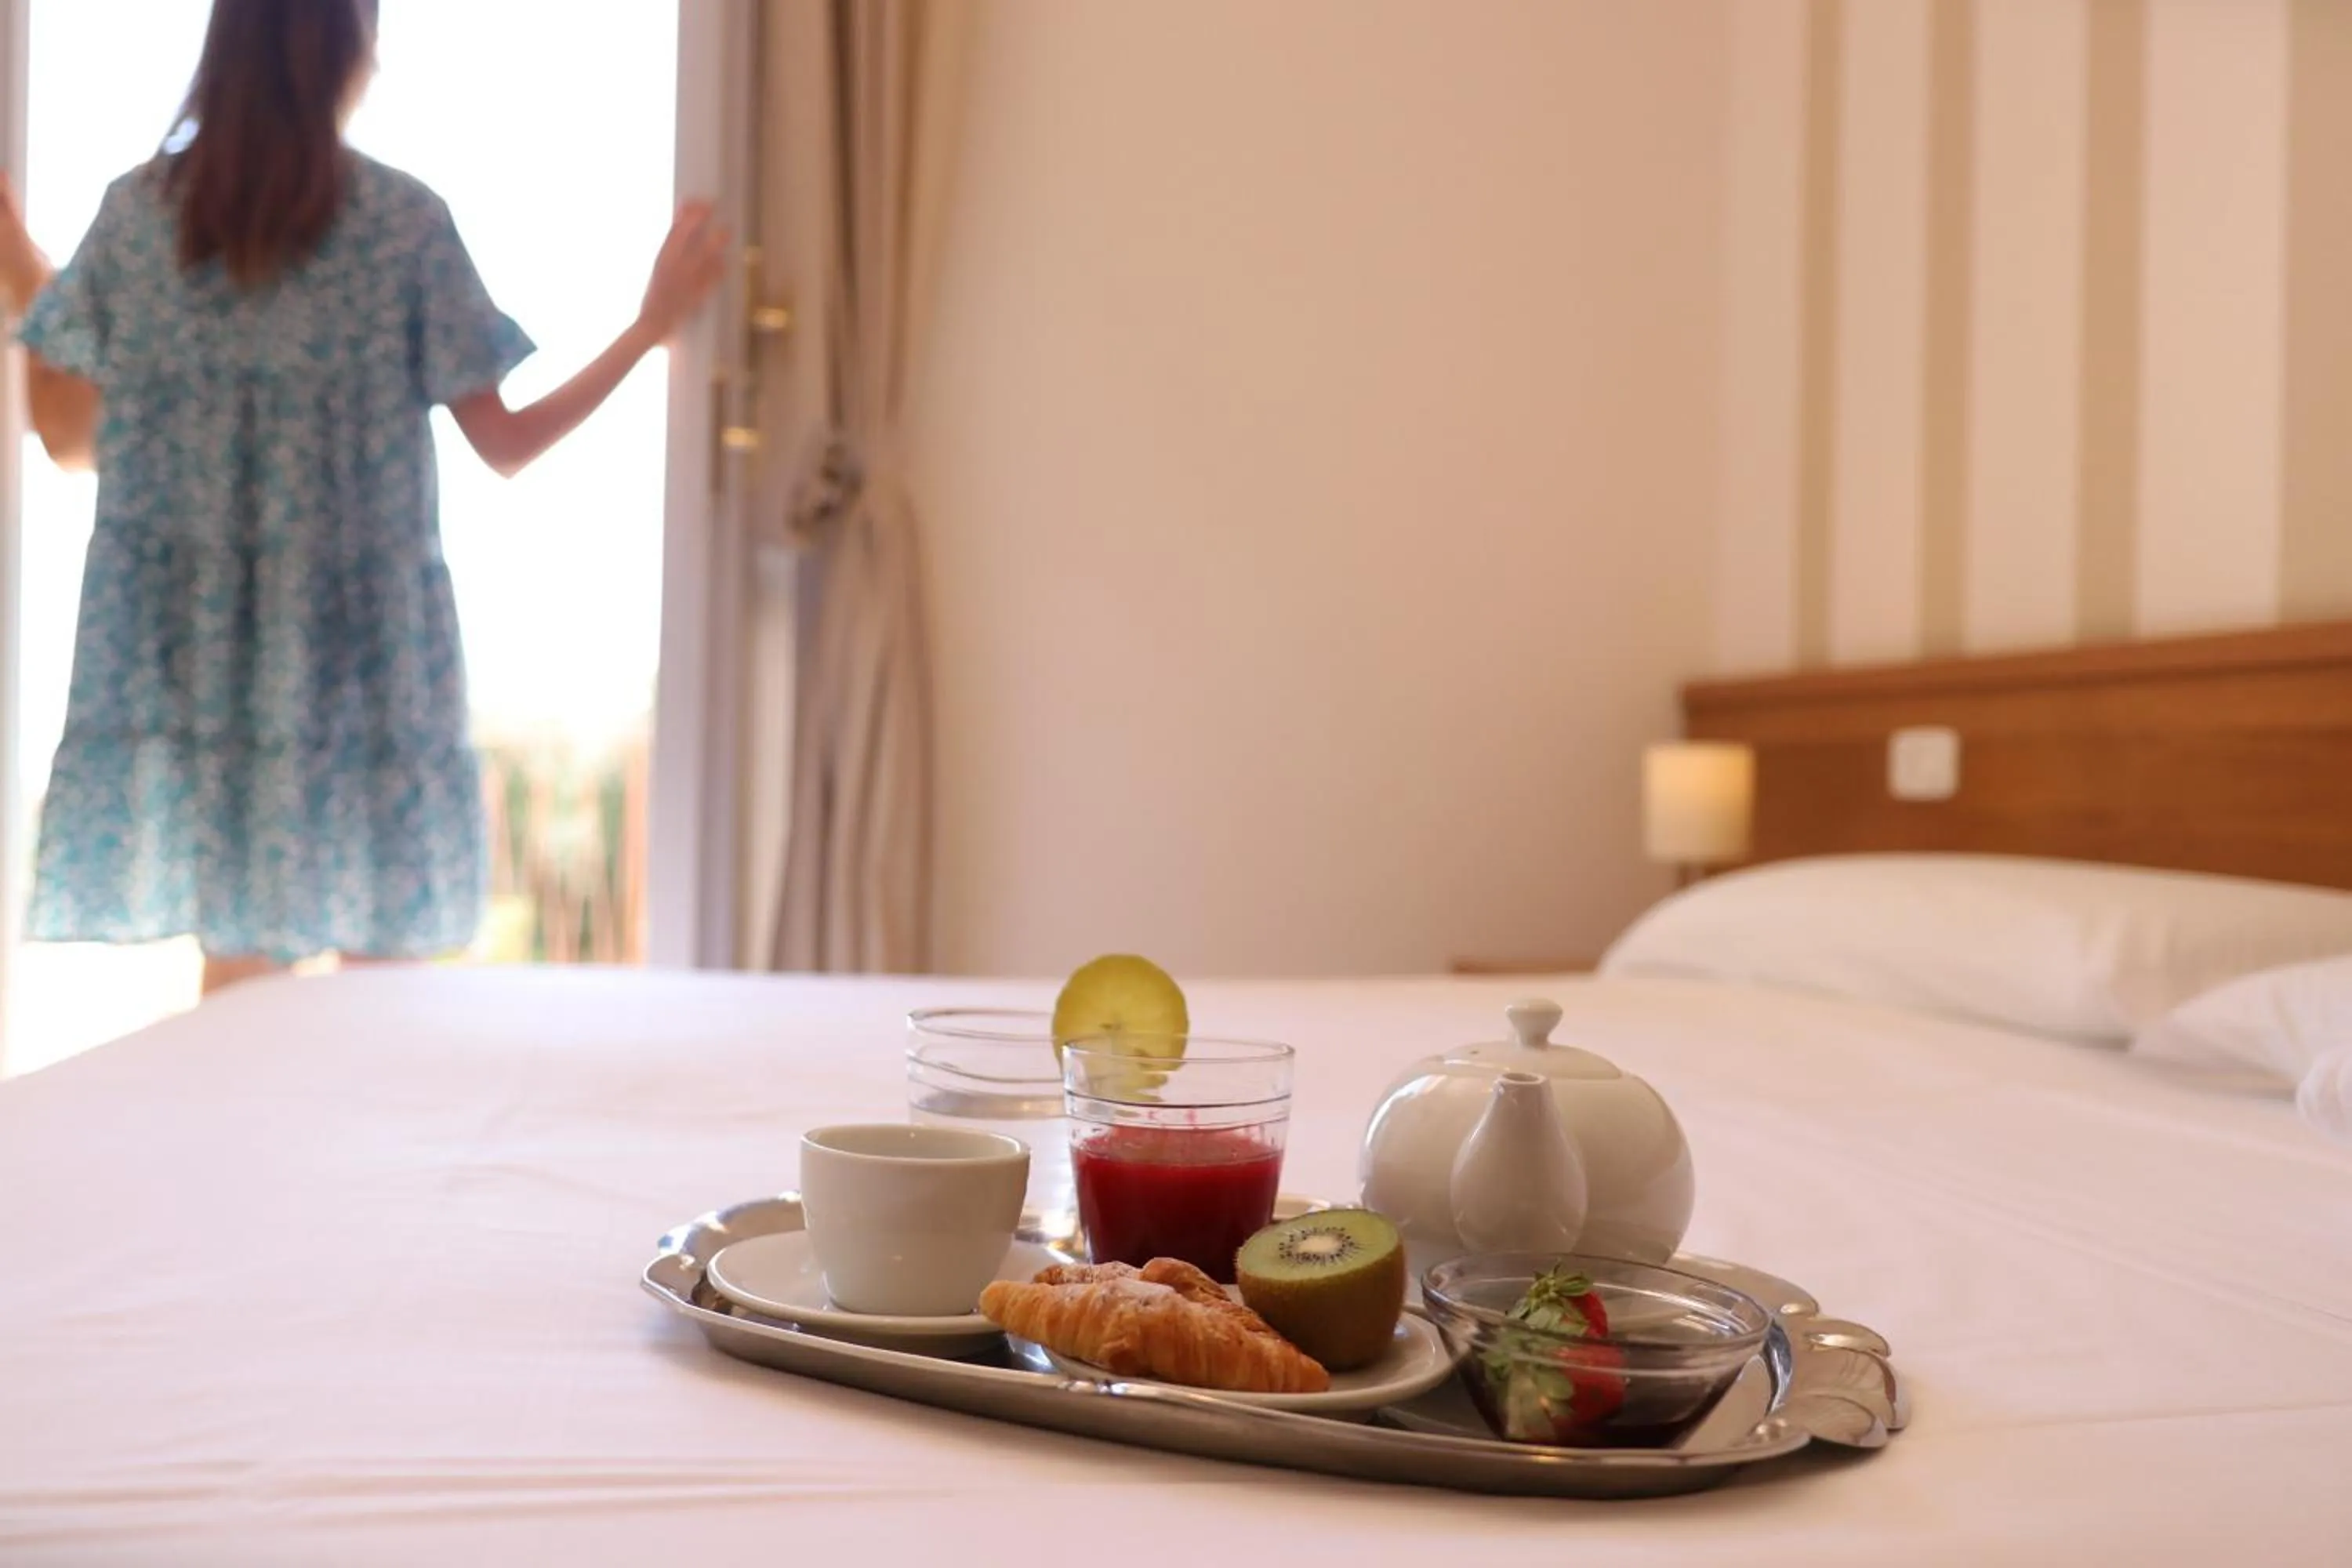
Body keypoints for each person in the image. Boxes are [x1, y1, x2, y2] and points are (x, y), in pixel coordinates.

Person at [0, 0, 725, 996]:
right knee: (380, 981)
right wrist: (652, 327)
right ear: (348, 52)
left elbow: (64, 434)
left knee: (238, 977)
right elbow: (506, 444)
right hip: (361, 648)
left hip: (204, 651)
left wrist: (23, 263)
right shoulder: (399, 221)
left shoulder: (138, 218)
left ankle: (245, 1153)